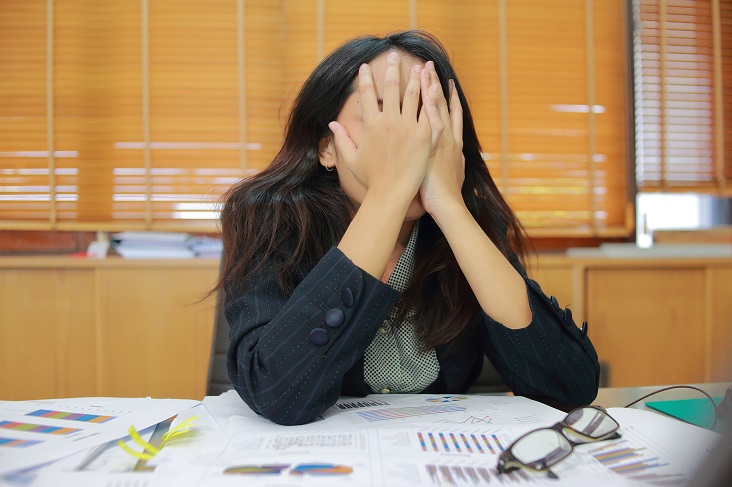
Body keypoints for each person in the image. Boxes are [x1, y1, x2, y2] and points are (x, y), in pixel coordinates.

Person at [219, 30, 600, 426]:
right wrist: (387, 194)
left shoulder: (471, 219)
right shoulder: (268, 217)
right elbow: (280, 396)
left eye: (426, 117)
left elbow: (567, 390)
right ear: (326, 146)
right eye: (386, 117)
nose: (412, 141)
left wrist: (450, 207)